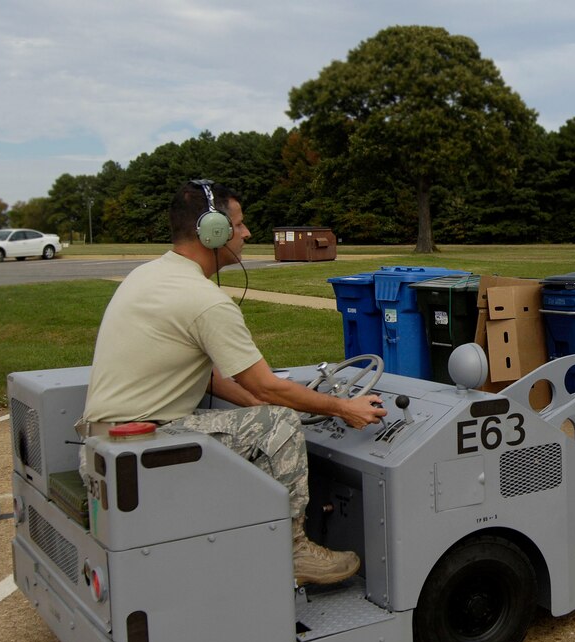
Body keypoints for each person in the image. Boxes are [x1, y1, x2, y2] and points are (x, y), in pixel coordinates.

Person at [79, 179, 387, 585]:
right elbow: (266, 386)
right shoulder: (204, 301)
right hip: (142, 448)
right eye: (239, 225)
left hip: (103, 450)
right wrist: (344, 407)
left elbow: (209, 377)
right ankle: (296, 552)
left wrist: (260, 404)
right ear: (213, 232)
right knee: (279, 425)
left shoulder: (148, 276)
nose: (246, 234)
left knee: (268, 415)